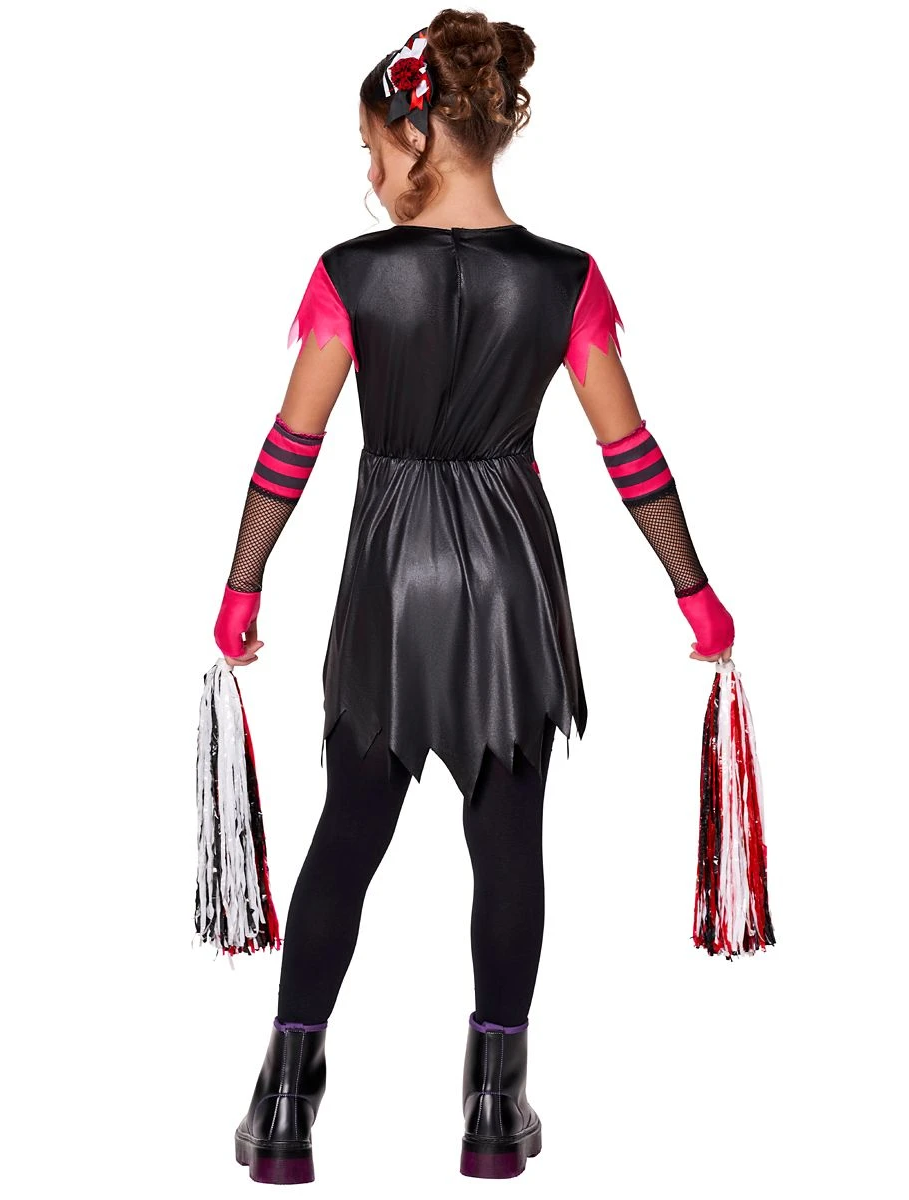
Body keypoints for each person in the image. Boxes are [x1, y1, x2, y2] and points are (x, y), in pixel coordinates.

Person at [214, 10, 735, 1185]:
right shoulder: (564, 280)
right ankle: (494, 1105)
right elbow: (629, 453)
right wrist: (693, 592)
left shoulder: (351, 275)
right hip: (508, 575)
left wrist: (242, 583)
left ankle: (285, 1101)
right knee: (507, 841)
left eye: (369, 146)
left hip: (389, 573)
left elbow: (291, 446)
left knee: (349, 829)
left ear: (416, 133)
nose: (366, 171)